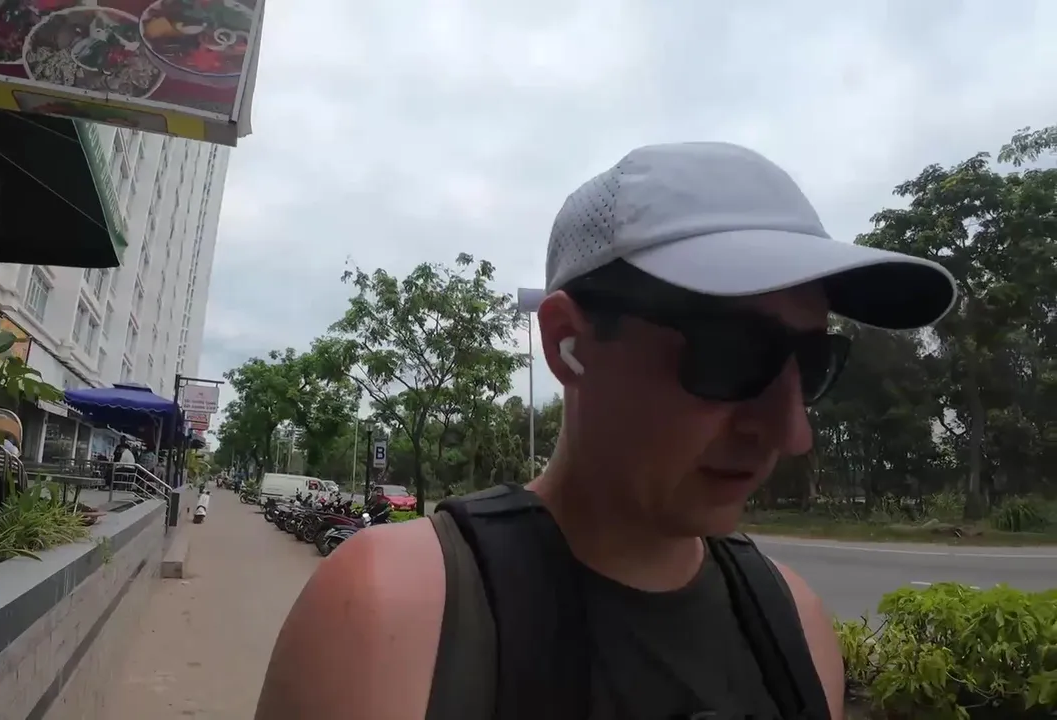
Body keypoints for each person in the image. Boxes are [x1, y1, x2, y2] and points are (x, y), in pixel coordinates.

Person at [255, 142, 958, 720]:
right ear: (568, 345)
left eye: (811, 365)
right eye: (732, 356)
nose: (791, 432)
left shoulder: (793, 627)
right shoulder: (397, 615)